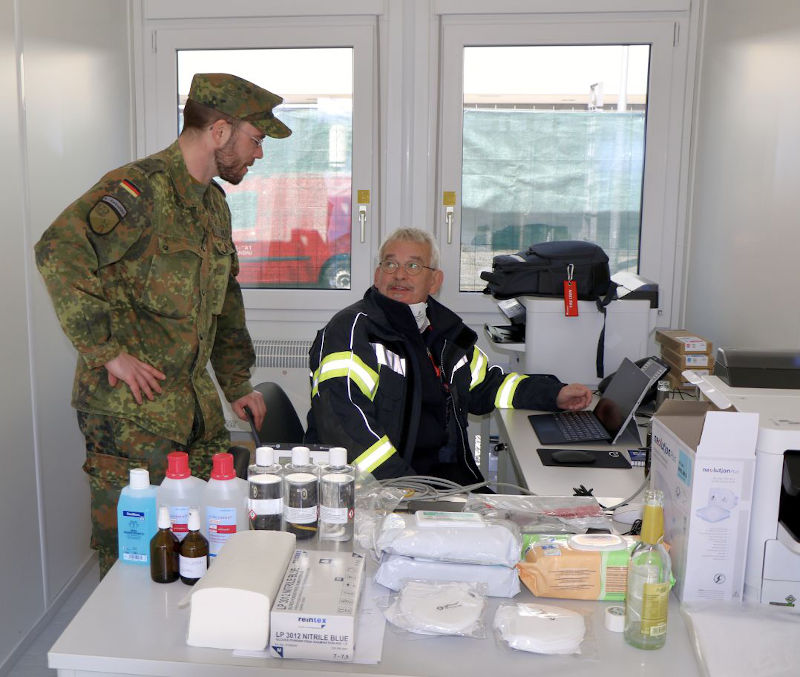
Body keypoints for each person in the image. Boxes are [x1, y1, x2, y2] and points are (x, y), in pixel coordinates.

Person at [34, 73, 291, 575]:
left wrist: (236, 381)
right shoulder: (138, 192)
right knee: (137, 558)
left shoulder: (212, 204)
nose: (258, 154)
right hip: (134, 417)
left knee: (211, 542)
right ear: (218, 131)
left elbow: (225, 298)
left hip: (195, 410)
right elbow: (57, 249)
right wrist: (105, 349)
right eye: (254, 140)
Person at [305, 227, 593, 486]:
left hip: (441, 480)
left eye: (413, 266)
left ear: (435, 281)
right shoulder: (352, 330)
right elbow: (343, 423)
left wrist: (554, 394)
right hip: (379, 491)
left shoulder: (443, 333)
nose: (400, 275)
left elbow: (487, 386)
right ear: (378, 275)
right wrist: (404, 486)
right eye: (390, 264)